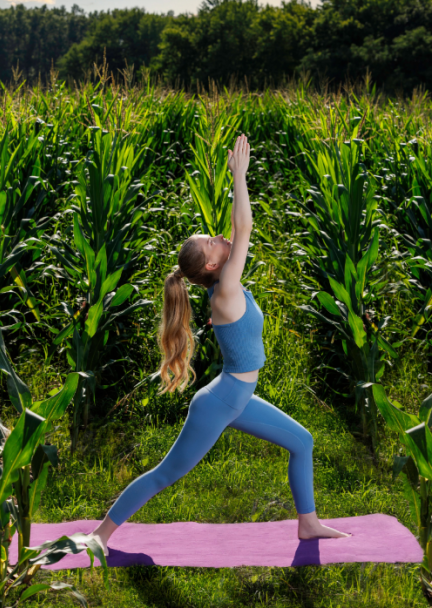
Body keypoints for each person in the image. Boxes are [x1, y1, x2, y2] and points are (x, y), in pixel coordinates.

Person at [89, 133, 351, 555]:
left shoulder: (226, 282)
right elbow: (244, 227)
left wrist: (237, 187)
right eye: (211, 242)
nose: (219, 236)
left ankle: (309, 524)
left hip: (237, 396)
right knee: (165, 474)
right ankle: (100, 535)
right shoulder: (226, 290)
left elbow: (235, 228)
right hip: (222, 402)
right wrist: (240, 177)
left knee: (302, 441)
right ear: (211, 264)